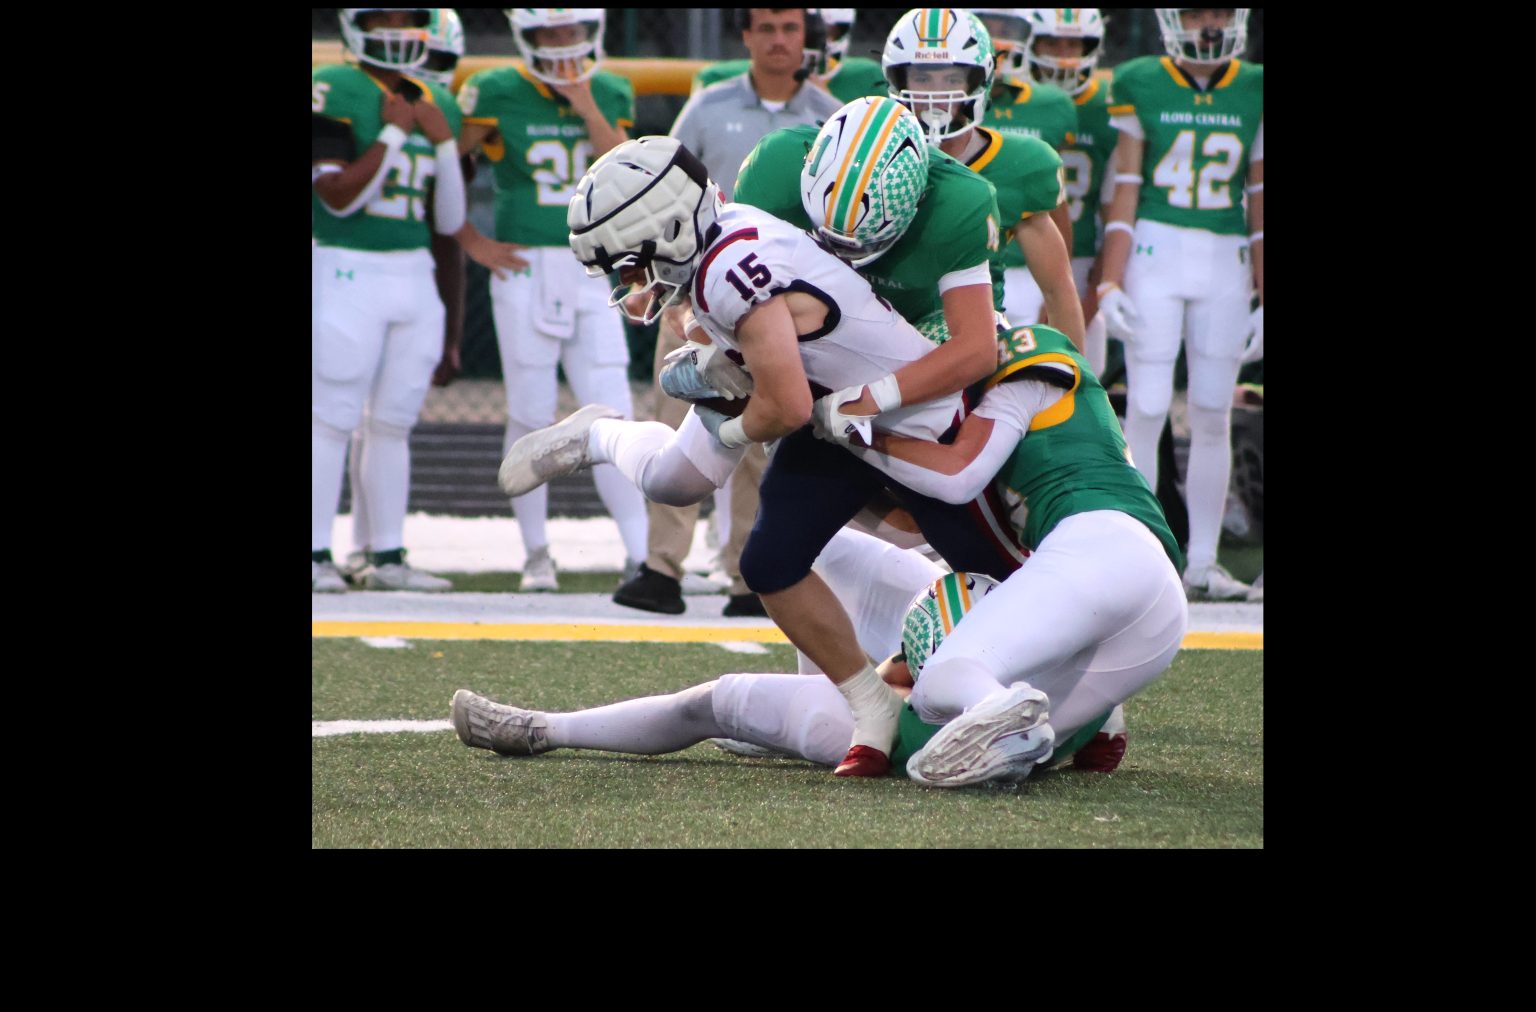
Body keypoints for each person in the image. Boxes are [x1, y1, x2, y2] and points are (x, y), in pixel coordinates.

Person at [500, 125, 1021, 777]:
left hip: (865, 407)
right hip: (822, 402)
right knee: (683, 489)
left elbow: (787, 404)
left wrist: (730, 420)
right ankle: (597, 434)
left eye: (629, 264)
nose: (626, 283)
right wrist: (712, 352)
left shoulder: (734, 262)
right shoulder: (728, 232)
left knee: (921, 540)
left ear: (668, 228)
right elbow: (736, 331)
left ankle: (866, 694)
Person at [812, 320, 1188, 784]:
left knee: (942, 679)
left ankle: (1002, 710)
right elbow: (913, 527)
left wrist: (854, 434)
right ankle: (1063, 721)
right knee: (926, 733)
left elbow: (957, 475)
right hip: (1150, 612)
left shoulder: (1020, 359)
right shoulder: (992, 422)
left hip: (1101, 540)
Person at [448, 554, 1136, 785]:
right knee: (814, 547)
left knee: (712, 702)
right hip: (1026, 700)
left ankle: (544, 729)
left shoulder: (936, 694)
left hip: (905, 731)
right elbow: (1104, 733)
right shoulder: (1089, 678)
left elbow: (910, 685)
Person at [615, 7, 843, 619]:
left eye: (789, 28)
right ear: (745, 35)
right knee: (676, 424)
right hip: (692, 296)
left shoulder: (830, 117)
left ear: (807, 38)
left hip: (781, 310)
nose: (778, 40)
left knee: (769, 435)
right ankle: (661, 566)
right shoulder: (707, 107)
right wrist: (649, 280)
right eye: (766, 27)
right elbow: (654, 191)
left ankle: (749, 574)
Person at [453, 8, 650, 592]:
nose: (564, 43)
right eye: (551, 32)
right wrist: (470, 239)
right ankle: (536, 554)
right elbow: (443, 164)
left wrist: (585, 105)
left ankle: (641, 556)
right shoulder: (495, 89)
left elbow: (628, 172)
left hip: (592, 269)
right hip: (525, 267)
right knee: (530, 412)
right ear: (528, 35)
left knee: (613, 410)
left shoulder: (609, 89)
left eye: (572, 30)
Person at [1094, 8, 1262, 600]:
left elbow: (1258, 193)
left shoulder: (1254, 85)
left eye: (1219, 10)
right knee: (1146, 405)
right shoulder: (1140, 78)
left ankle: (1203, 563)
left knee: (1213, 410)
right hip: (1154, 251)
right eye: (1197, 11)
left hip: (1225, 258)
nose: (1209, 22)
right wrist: (1109, 281)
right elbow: (1127, 187)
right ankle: (1140, 557)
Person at [312, 8, 472, 593]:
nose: (398, 30)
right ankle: (316, 553)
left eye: (408, 19)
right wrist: (395, 133)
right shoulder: (334, 86)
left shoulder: (437, 100)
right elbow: (337, 200)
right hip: (345, 264)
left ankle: (386, 555)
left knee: (394, 424)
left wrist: (444, 142)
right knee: (330, 417)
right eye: (385, 19)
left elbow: (449, 220)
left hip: (414, 273)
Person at [879, 7, 1084, 352]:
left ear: (978, 82)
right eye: (923, 78)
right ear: (899, 79)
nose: (936, 93)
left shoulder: (1019, 164)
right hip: (882, 331)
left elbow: (1058, 290)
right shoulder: (871, 151)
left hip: (976, 342)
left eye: (952, 79)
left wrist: (1073, 372)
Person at [1016, 8, 1116, 376]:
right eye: (1052, 43)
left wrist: (1100, 279)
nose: (1063, 55)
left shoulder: (1108, 103)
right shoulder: (1012, 100)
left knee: (1083, 371)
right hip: (1023, 251)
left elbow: (1116, 201)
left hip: (1085, 251)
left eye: (1073, 45)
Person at [692, 9, 888, 104]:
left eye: (832, 31)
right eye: (768, 29)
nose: (779, 40)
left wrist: (822, 102)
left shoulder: (865, 77)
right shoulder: (715, 87)